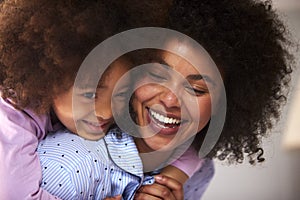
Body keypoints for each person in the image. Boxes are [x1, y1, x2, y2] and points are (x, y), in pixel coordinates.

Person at [0, 0, 204, 199]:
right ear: (48, 77)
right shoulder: (11, 115)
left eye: (121, 95)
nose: (107, 112)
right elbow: (16, 194)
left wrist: (166, 181)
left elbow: (189, 147)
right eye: (90, 94)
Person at [117, 0, 294, 199]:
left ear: (223, 104)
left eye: (196, 89)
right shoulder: (87, 137)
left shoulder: (199, 172)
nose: (170, 99)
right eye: (157, 75)